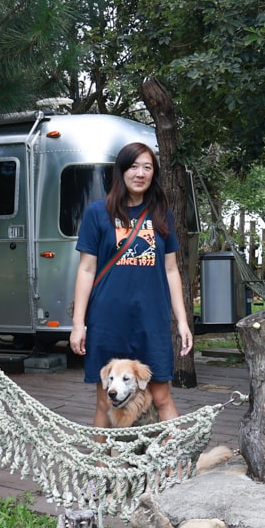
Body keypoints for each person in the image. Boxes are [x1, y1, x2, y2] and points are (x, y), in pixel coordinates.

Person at [69, 141, 193, 428]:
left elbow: (172, 270)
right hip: (107, 320)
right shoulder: (97, 213)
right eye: (134, 166)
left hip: (152, 320)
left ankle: (174, 467)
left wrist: (183, 322)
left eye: (147, 167)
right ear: (121, 171)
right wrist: (78, 324)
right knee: (104, 401)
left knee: (162, 397)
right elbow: (86, 270)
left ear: (153, 174)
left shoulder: (162, 214)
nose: (140, 173)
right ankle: (102, 467)